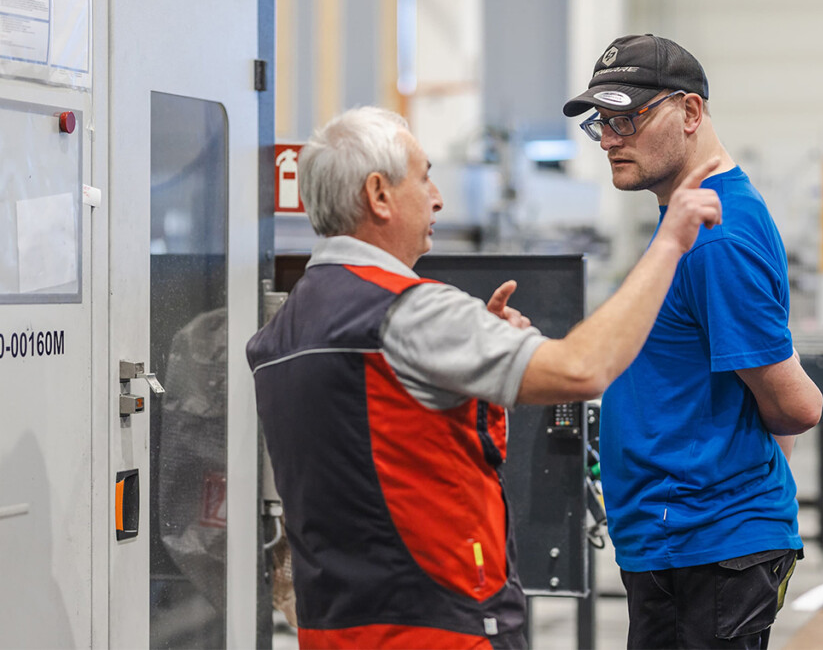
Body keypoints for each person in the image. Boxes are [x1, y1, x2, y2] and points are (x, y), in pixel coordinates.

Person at [245, 106, 722, 650]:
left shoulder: (285, 328)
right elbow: (583, 370)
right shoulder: (408, 312)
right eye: (424, 176)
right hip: (439, 627)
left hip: (335, 629)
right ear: (378, 195)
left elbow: (385, 448)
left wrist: (479, 351)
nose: (439, 198)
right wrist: (670, 243)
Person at [563, 34, 823, 650]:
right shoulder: (693, 216)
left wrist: (728, 486)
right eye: (601, 121)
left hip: (704, 547)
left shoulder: (716, 237)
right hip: (682, 538)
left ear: (690, 113)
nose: (607, 138)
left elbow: (796, 405)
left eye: (627, 118)